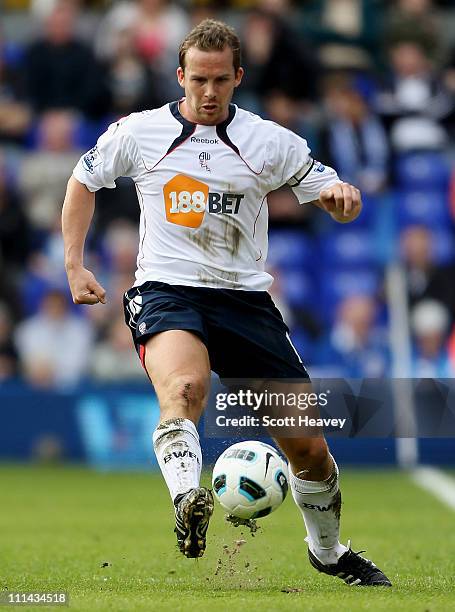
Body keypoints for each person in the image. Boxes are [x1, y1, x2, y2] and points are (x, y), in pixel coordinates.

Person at [62, 19, 391, 587]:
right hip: (167, 290)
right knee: (183, 391)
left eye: (220, 80)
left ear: (238, 77)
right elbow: (82, 180)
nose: (208, 93)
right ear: (179, 76)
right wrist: (73, 263)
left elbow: (328, 189)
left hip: (244, 301)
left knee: (309, 449)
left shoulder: (270, 140)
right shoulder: (138, 133)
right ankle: (189, 496)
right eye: (198, 80)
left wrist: (342, 199)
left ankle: (329, 551)